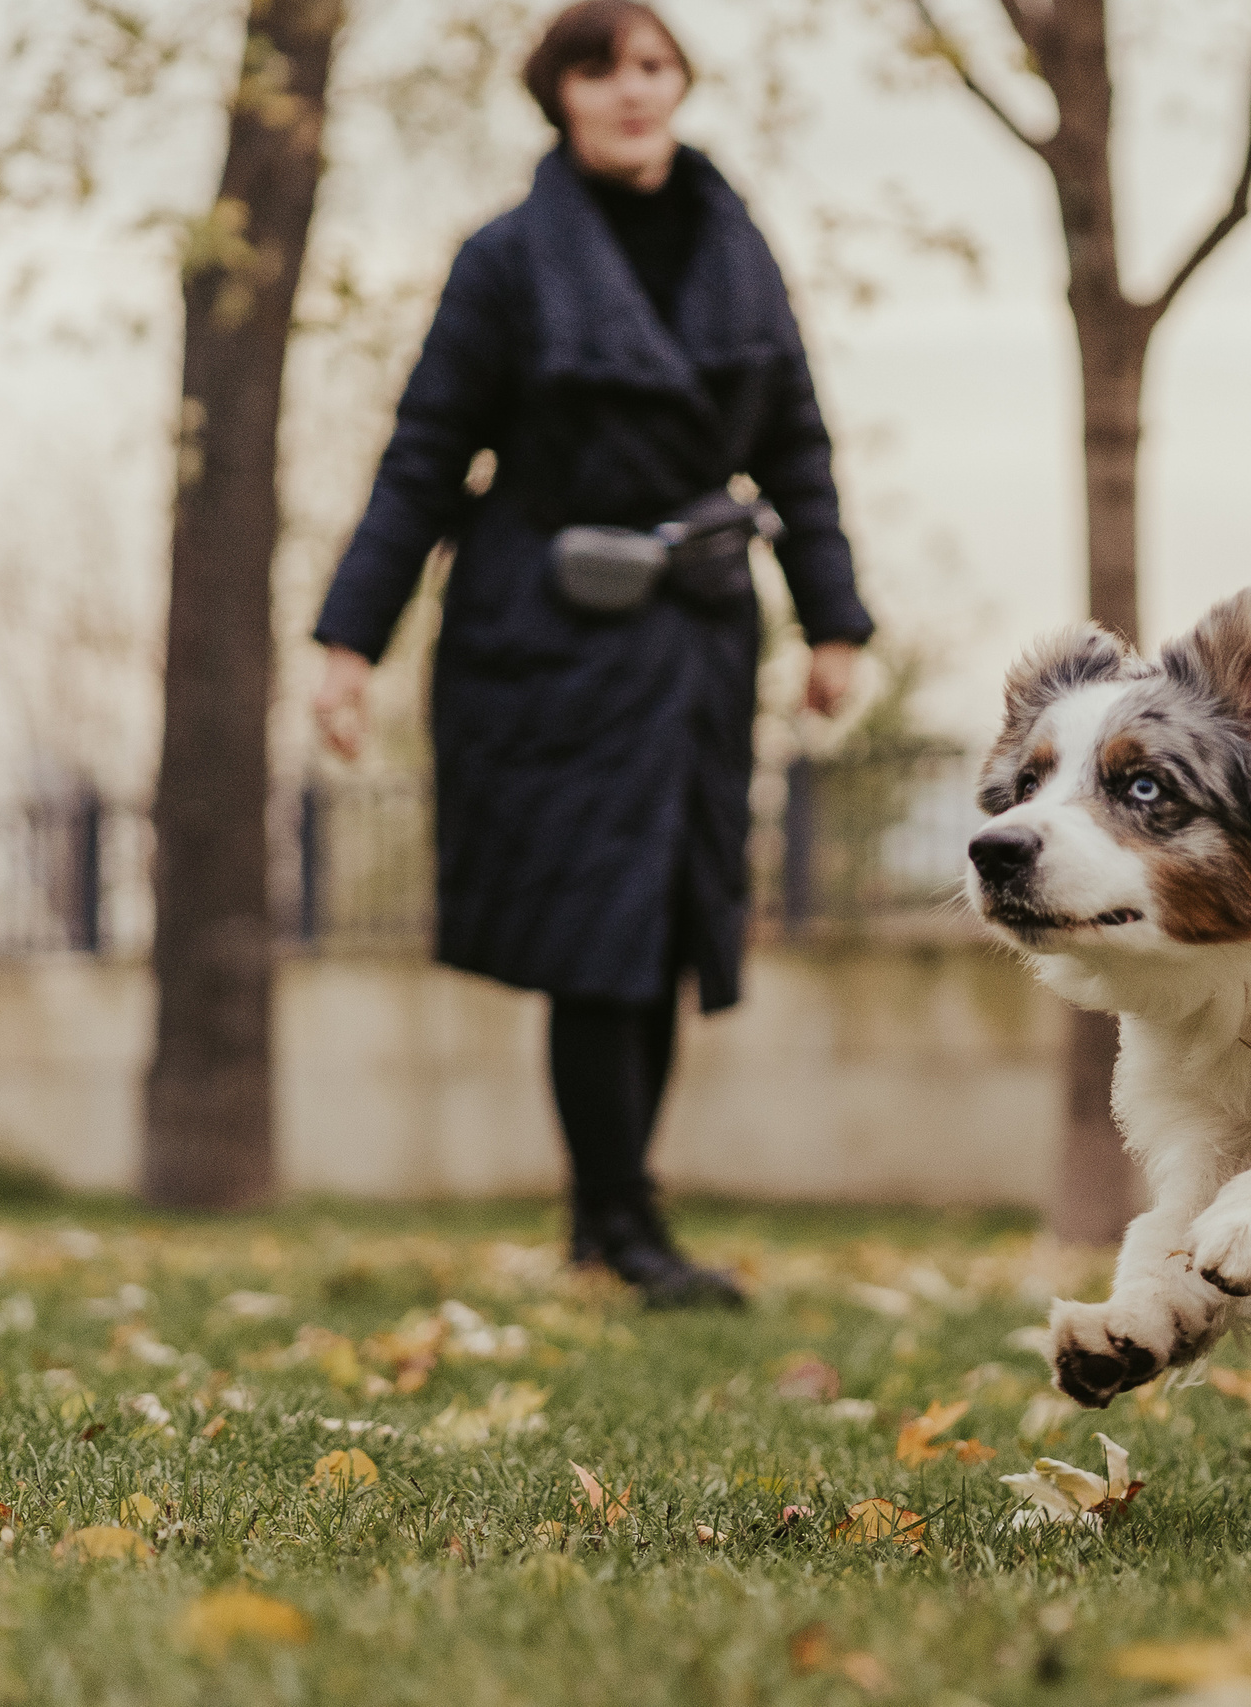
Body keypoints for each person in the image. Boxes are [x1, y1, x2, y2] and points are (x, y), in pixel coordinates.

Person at [309, 0, 871, 1307]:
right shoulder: (507, 260)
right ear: (556, 92)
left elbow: (796, 442)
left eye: (656, 66)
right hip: (545, 641)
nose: (634, 90)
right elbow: (424, 458)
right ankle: (625, 1227)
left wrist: (834, 619)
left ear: (681, 84)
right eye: (603, 69)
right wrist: (350, 642)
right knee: (595, 938)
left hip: (697, 641)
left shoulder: (739, 246)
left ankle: (608, 1216)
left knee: (670, 931)